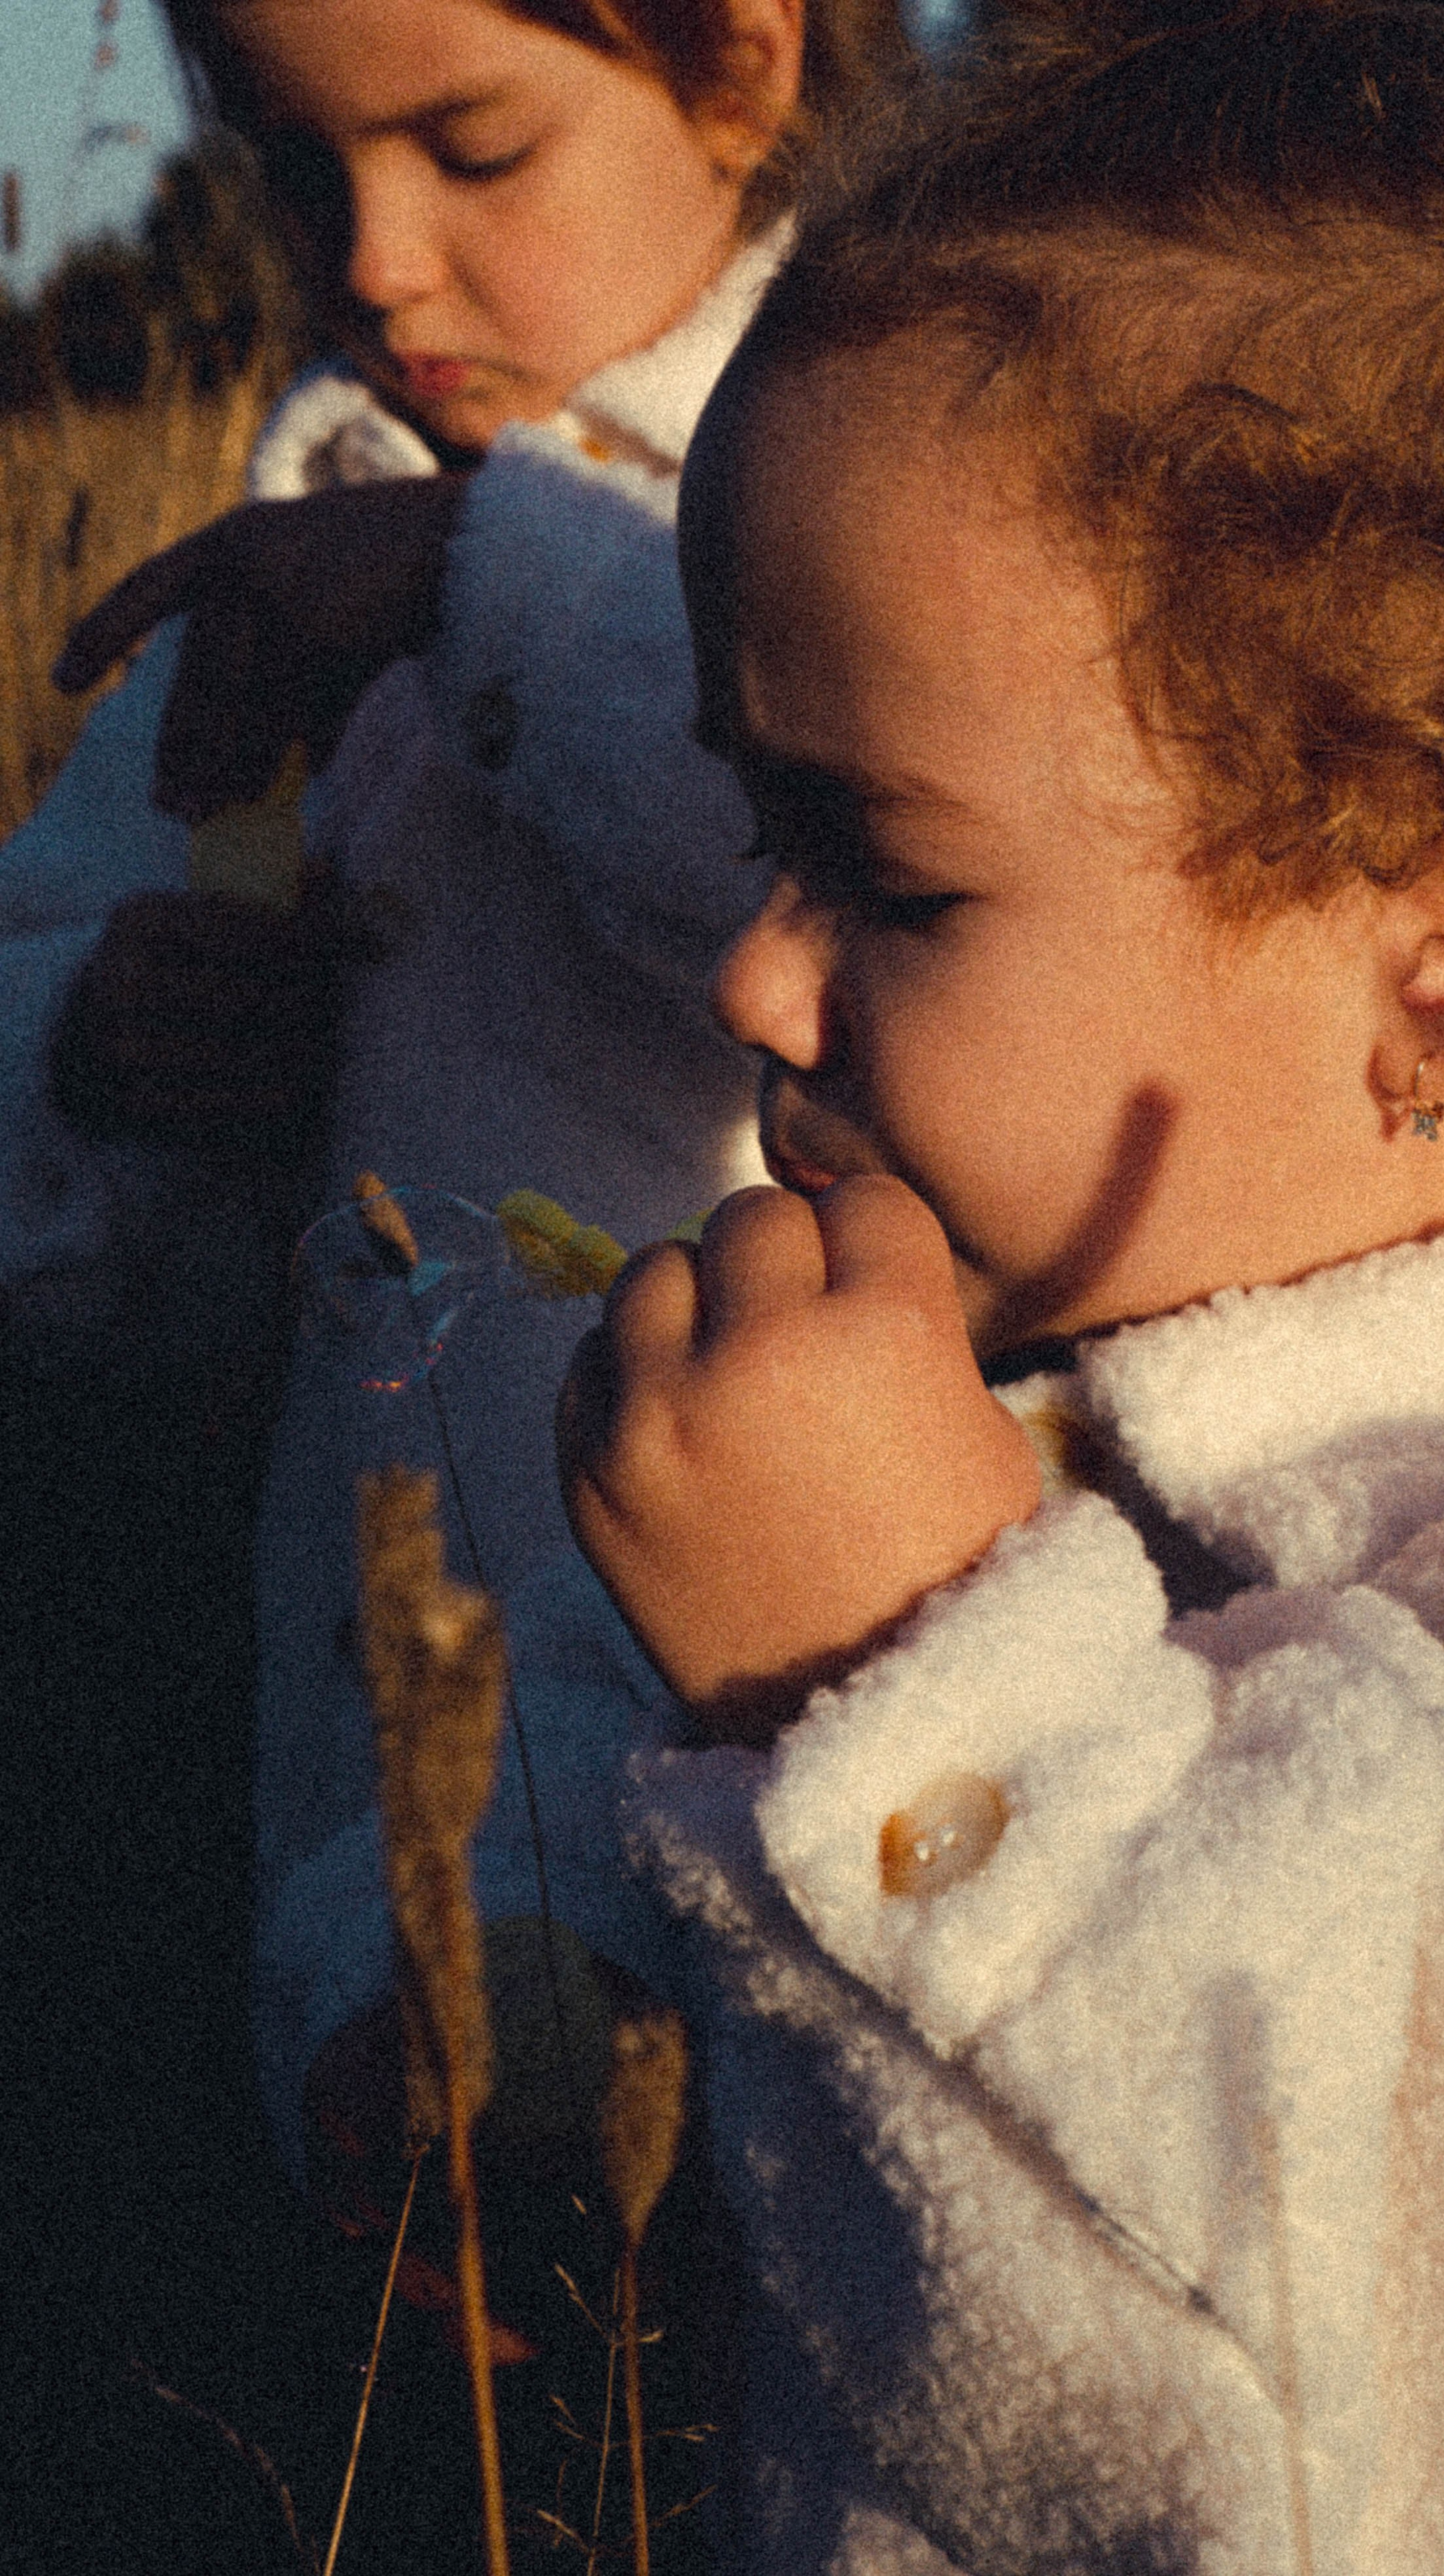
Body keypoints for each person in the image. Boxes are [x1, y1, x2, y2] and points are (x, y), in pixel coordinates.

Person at [512, 5, 1444, 2566]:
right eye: (756, 837)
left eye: (890, 875)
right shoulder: (1090, 1371)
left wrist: (915, 1681)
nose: (754, 977)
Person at [0, 0, 909, 2188]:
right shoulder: (288, 541)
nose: (376, 260)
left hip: (806, 1769)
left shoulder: (900, 470)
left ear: (744, 63)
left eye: (474, 150)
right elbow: (53, 1010)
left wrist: (476, 585)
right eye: (297, 168)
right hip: (365, 1787)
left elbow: (880, 900)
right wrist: (94, 1055)